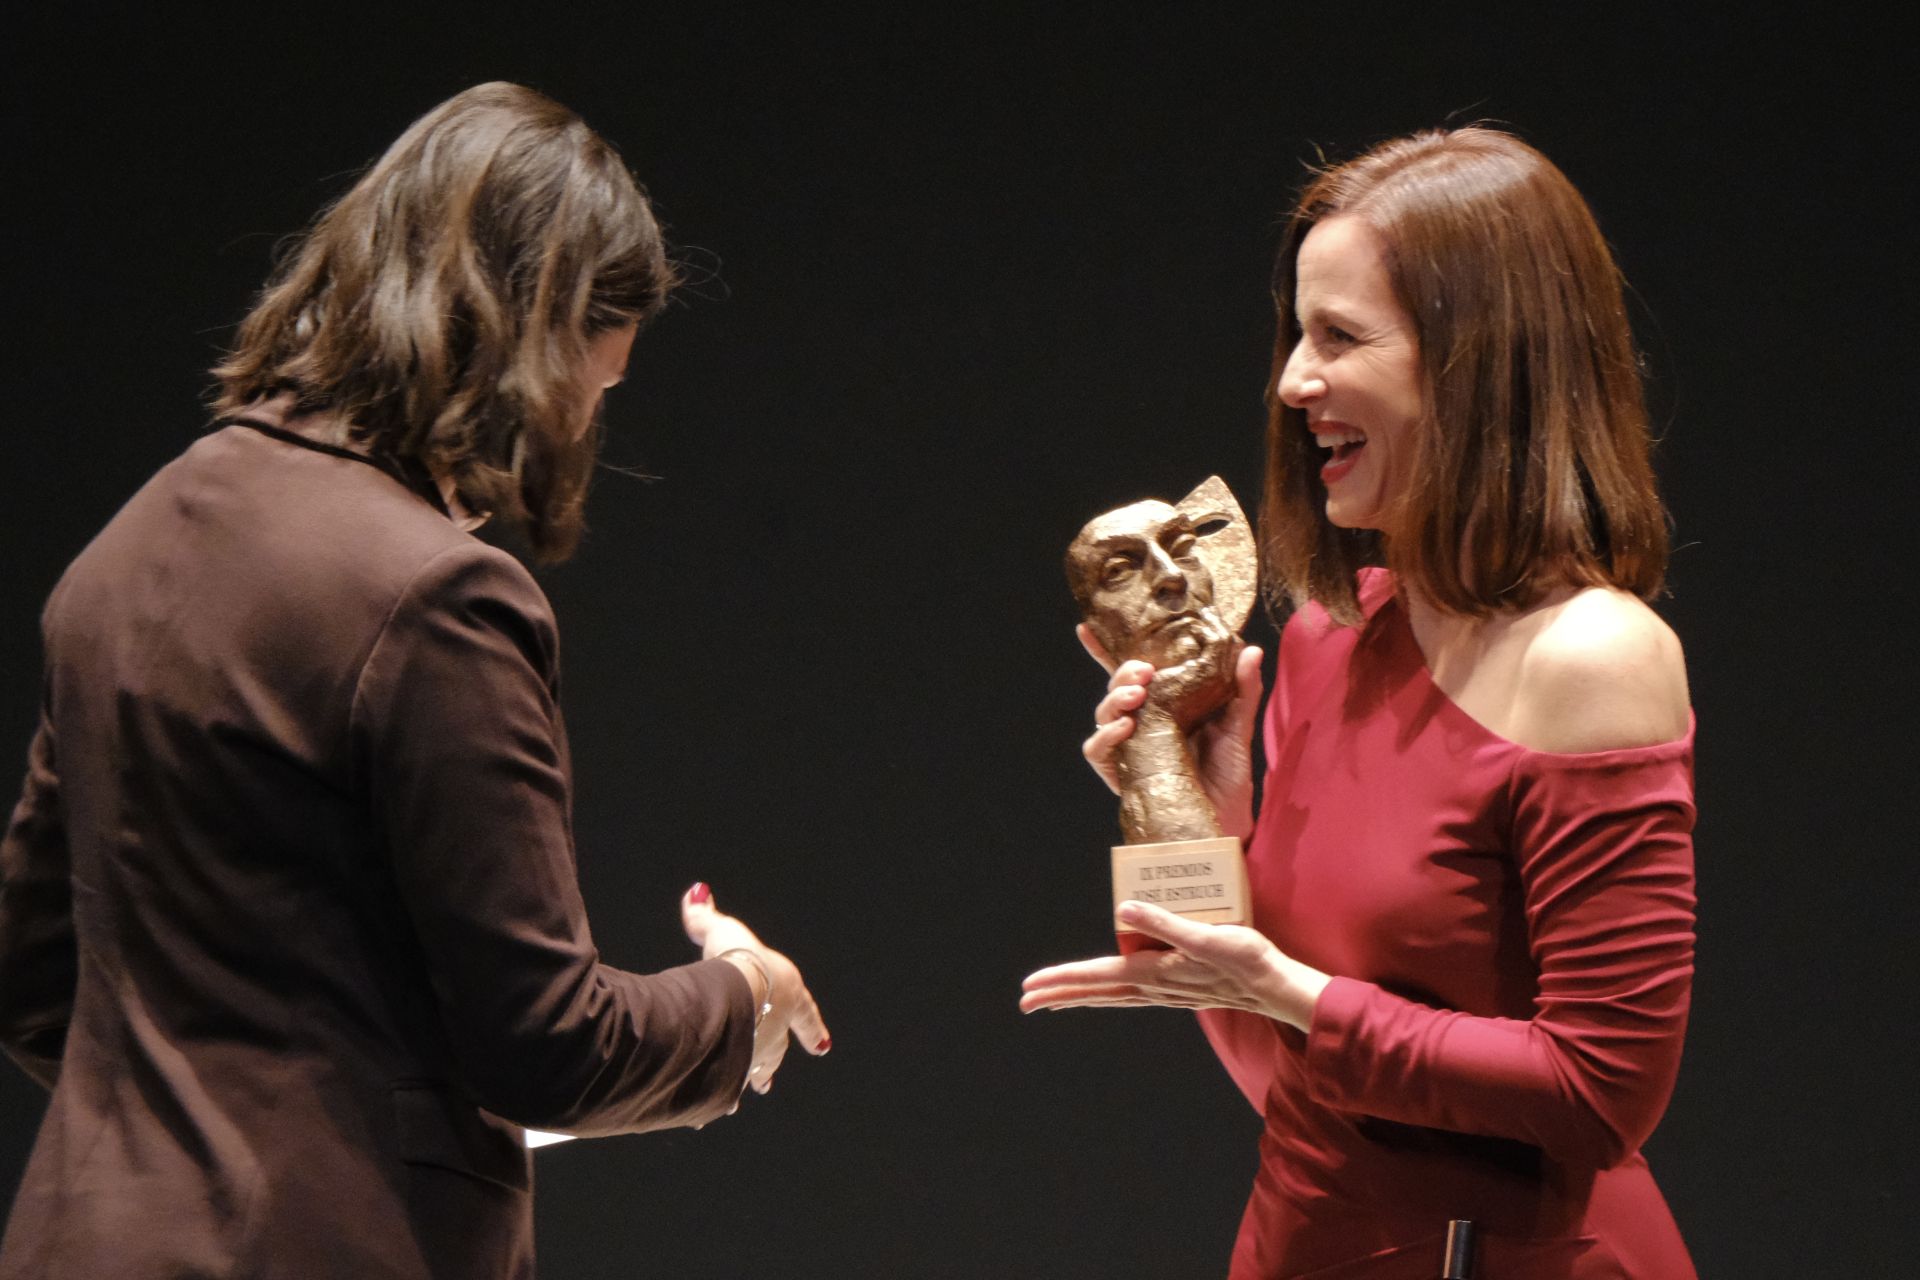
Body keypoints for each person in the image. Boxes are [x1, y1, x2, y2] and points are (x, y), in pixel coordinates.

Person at [0, 83, 828, 1279]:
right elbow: (552, 1047)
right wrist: (743, 993)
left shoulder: (123, 552)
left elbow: (33, 979)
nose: (585, 426)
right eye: (595, 387)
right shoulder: (437, 595)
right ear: (528, 337)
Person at [1023, 127, 1696, 1279]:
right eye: (1296, 335)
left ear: (1478, 363)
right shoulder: (1334, 635)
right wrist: (1193, 808)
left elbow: (1600, 1095)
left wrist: (1297, 990)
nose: (1292, 382)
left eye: (1339, 337)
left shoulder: (1593, 657)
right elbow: (1290, 1068)